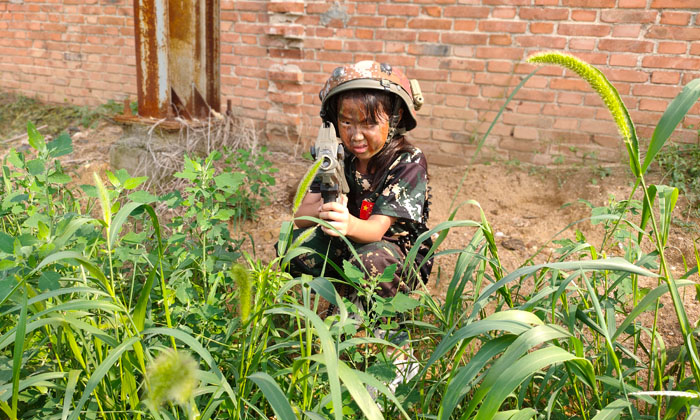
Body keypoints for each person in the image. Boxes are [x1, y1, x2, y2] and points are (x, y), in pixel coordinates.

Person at [290, 60, 433, 303]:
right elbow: (300, 216)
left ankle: (381, 321)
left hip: (395, 252)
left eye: (369, 123)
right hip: (347, 241)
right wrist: (325, 209)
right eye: (347, 122)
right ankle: (322, 301)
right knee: (294, 247)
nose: (356, 135)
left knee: (370, 262)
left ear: (395, 118)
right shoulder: (337, 155)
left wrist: (347, 223)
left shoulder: (408, 163)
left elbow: (377, 229)